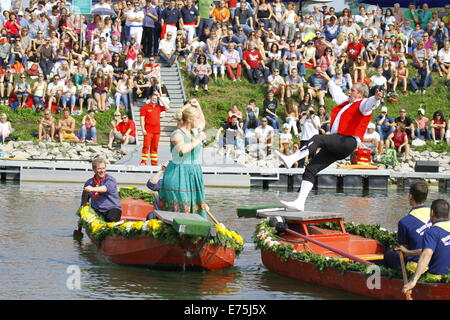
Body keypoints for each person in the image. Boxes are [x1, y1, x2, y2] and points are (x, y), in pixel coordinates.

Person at [276, 70, 383, 211]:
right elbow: (337, 92)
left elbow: (370, 104)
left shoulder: (362, 105)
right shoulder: (347, 103)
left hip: (348, 141)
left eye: (352, 90)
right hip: (338, 143)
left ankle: (291, 159)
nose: (349, 92)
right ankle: (299, 202)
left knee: (317, 138)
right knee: (310, 169)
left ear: (360, 94)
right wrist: (328, 79)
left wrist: (376, 98)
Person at [159, 102, 207, 217]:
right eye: (196, 117)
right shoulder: (177, 134)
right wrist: (198, 140)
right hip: (179, 172)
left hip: (194, 172)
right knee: (181, 207)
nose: (199, 119)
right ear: (190, 119)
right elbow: (182, 150)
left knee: (195, 205)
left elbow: (203, 121)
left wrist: (198, 106)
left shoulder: (194, 131)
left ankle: (195, 231)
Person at [403, 199, 450, 294]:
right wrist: (408, 252)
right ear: (448, 214)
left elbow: (426, 254)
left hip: (436, 279)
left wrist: (413, 281)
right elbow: (428, 250)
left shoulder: (432, 232)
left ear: (431, 212)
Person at [383, 181, 431, 270]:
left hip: (416, 264)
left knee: (388, 255)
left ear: (410, 196)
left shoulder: (404, 222)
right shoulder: (435, 215)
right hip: (434, 260)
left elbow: (403, 250)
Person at [81, 157, 122, 222]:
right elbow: (84, 201)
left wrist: (92, 189)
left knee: (111, 219)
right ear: (94, 170)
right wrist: (81, 216)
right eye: (99, 169)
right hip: (96, 210)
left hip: (112, 209)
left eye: (103, 168)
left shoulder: (110, 180)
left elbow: (105, 188)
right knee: (89, 220)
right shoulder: (89, 183)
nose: (102, 171)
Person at [140, 92, 171, 165]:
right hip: (148, 131)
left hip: (157, 131)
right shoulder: (145, 107)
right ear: (150, 98)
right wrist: (143, 129)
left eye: (155, 99)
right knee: (146, 146)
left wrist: (160, 97)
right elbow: (142, 119)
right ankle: (143, 161)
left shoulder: (158, 107)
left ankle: (154, 162)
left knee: (154, 147)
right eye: (153, 98)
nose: (154, 100)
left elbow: (167, 108)